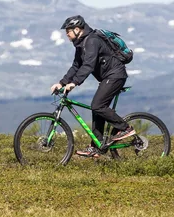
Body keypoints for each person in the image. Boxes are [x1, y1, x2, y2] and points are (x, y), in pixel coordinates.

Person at [49, 15, 135, 158]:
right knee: (97, 109)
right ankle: (97, 146)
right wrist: (62, 82)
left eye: (68, 32)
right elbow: (76, 66)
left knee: (97, 105)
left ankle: (125, 128)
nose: (67, 35)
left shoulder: (92, 41)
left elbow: (88, 65)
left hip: (115, 75)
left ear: (77, 29)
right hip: (108, 77)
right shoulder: (80, 44)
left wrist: (74, 83)